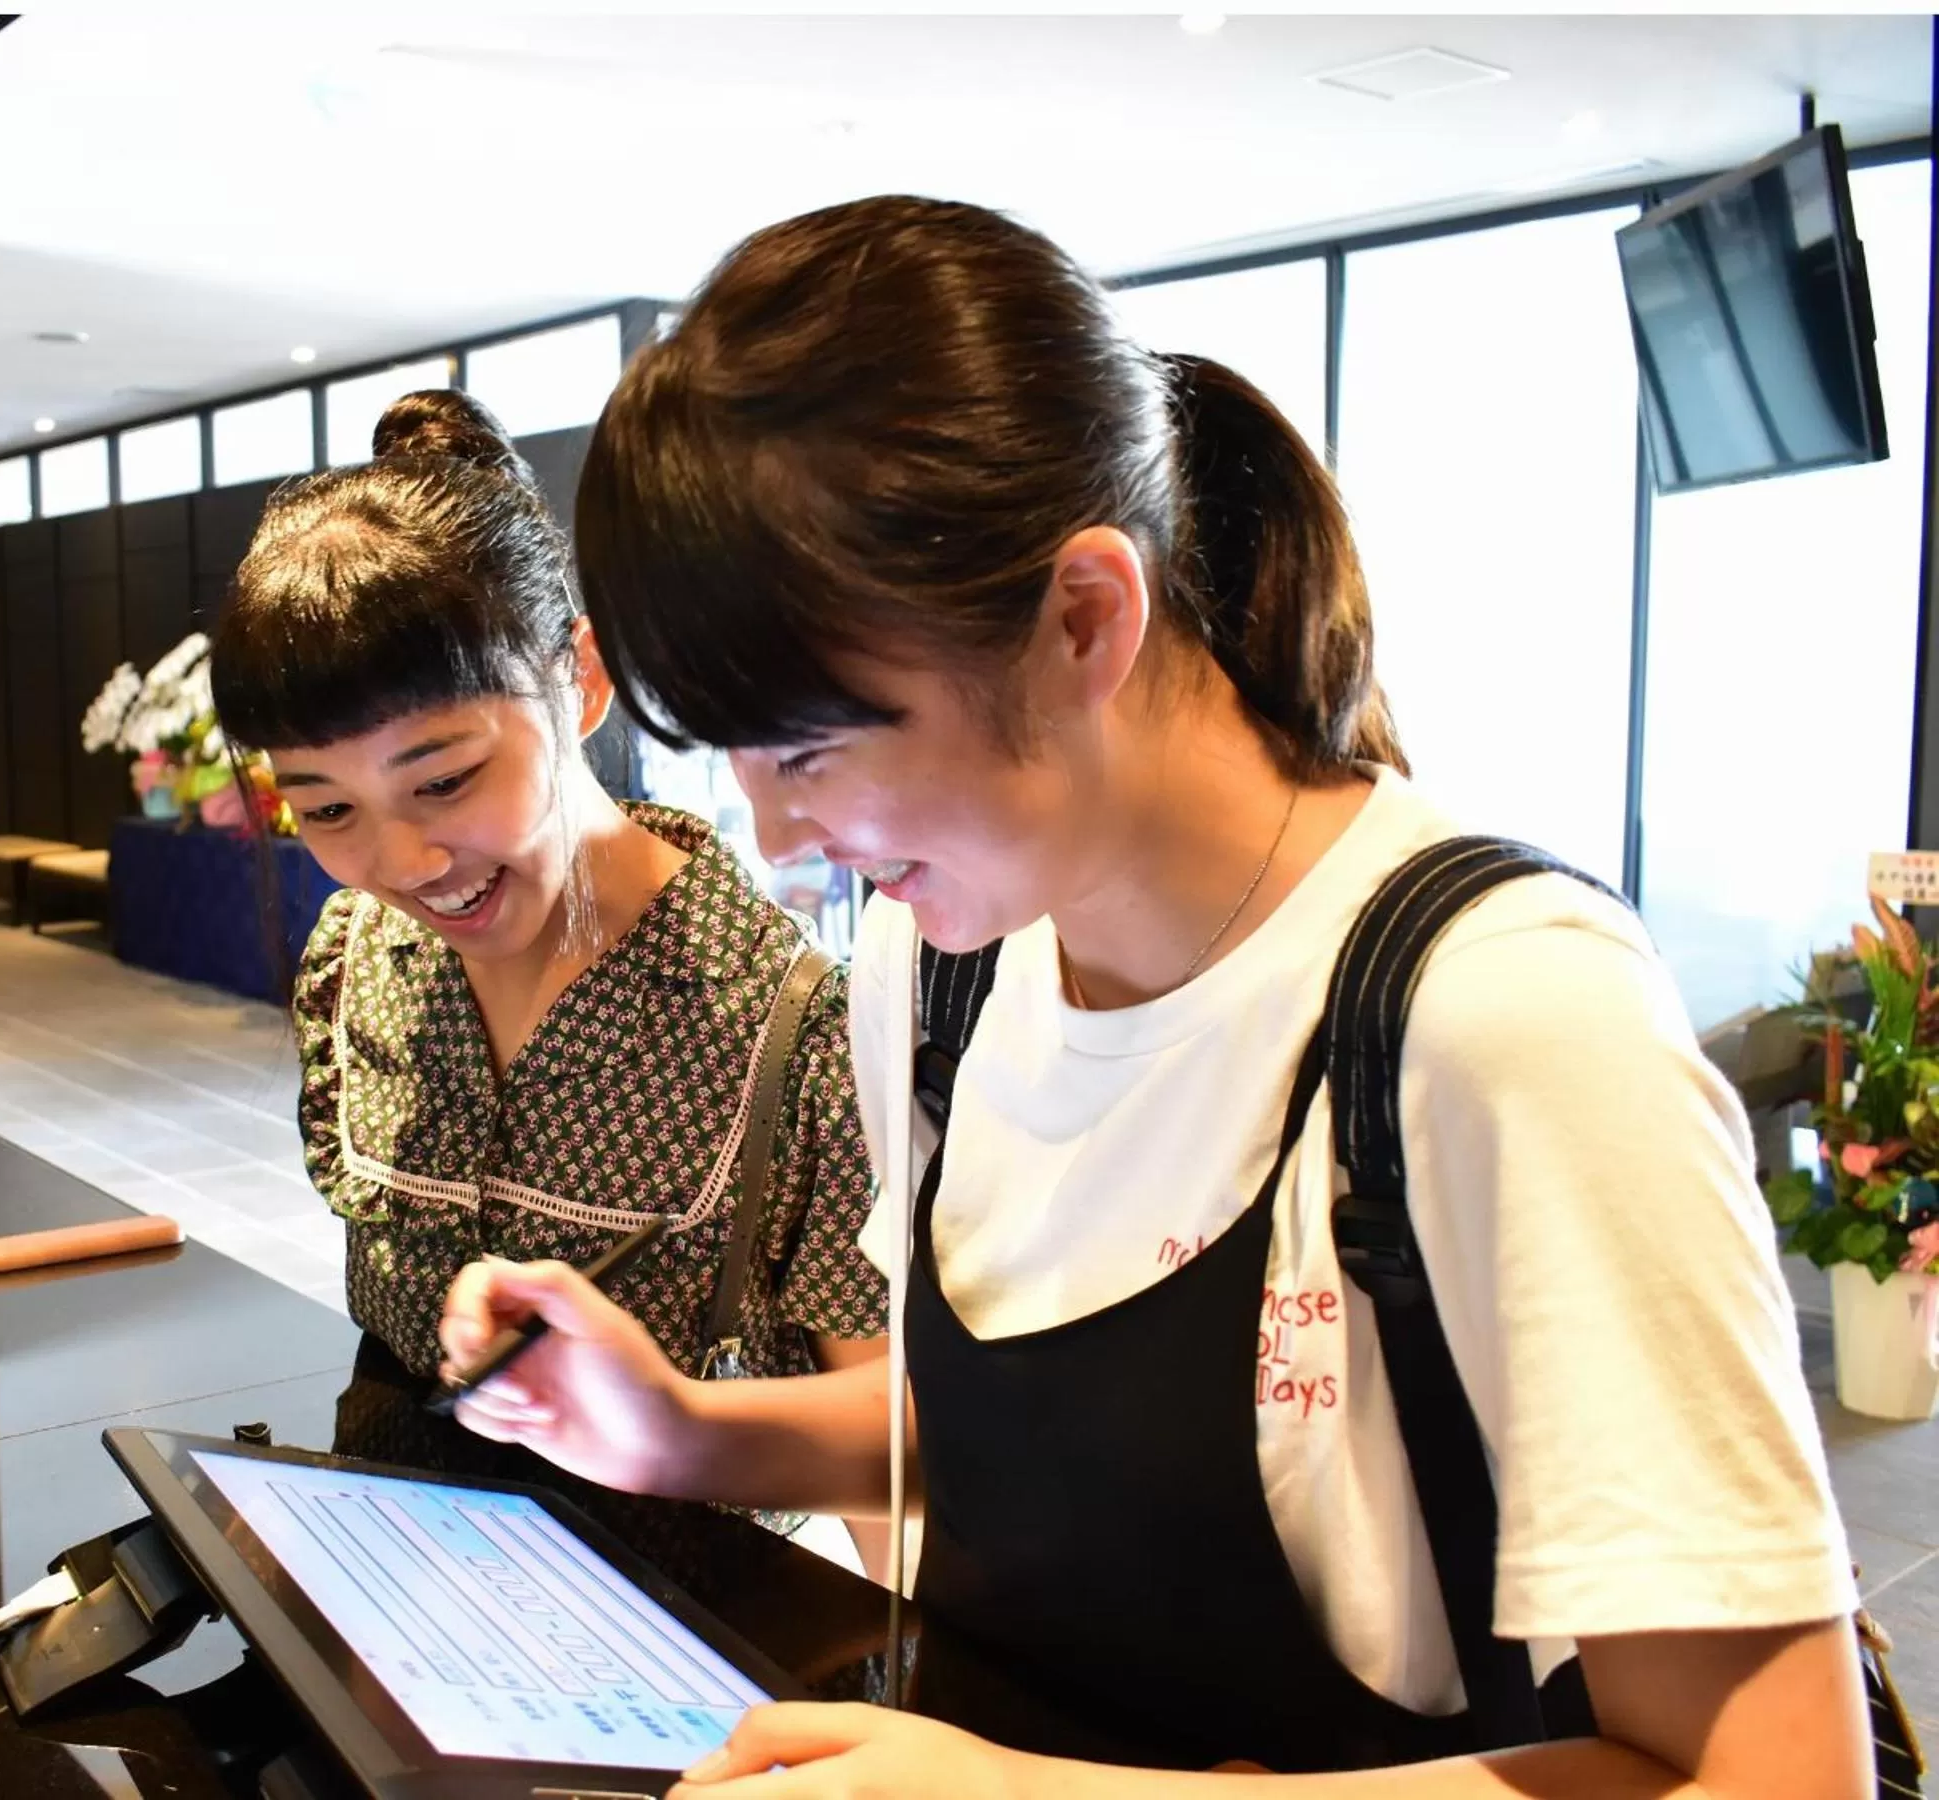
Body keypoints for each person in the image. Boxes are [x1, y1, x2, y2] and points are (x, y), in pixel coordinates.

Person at [437, 198, 1870, 1797]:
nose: (773, 840)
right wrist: (686, 1434)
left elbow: (1777, 1778)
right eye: (731, 760)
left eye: (813, 747)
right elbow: (1021, 1441)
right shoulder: (939, 969)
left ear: (1084, 620)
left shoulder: (1501, 1016)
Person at [209, 388, 889, 1560]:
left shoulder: (793, 1024)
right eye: (327, 809)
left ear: (576, 681)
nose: (402, 862)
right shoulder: (353, 959)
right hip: (400, 1577)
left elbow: (887, 1440)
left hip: (684, 1629)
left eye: (444, 781)